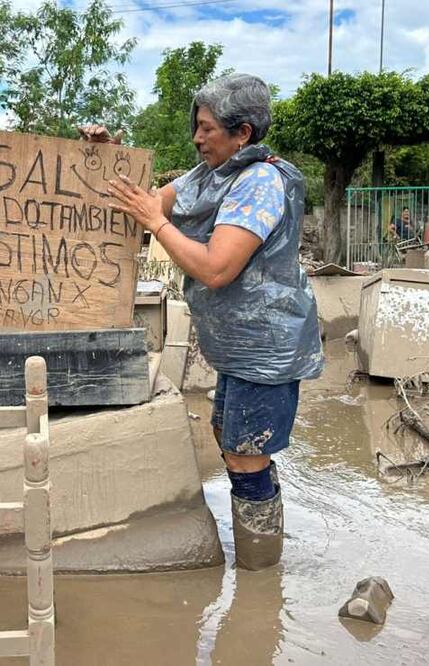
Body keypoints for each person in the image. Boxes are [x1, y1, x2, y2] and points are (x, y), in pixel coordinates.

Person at [86, 73, 324, 571]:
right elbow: (148, 199)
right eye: (197, 126)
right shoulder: (212, 173)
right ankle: (262, 538)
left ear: (243, 133)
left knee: (244, 453)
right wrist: (112, 155)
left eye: (207, 128)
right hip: (240, 345)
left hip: (266, 346)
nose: (197, 138)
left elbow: (217, 267)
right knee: (229, 439)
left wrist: (157, 225)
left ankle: (260, 575)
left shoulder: (260, 182)